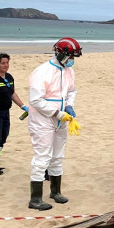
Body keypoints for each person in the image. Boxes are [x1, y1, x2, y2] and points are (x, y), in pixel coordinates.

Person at [27, 37, 82, 210]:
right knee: (42, 157)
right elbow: (36, 100)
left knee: (58, 156)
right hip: (42, 120)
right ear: (60, 53)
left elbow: (71, 91)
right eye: (70, 56)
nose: (71, 60)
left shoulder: (68, 71)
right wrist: (57, 113)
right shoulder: (41, 71)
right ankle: (35, 198)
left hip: (61, 119)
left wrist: (69, 106)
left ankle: (55, 191)